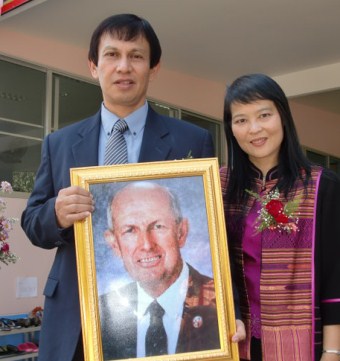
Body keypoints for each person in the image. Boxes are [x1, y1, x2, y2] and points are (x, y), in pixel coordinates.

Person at [20, 13, 217, 361]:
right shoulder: (60, 143)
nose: (123, 66)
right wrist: (55, 213)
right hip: (75, 319)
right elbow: (34, 223)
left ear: (153, 68)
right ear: (94, 66)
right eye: (112, 55)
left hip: (166, 320)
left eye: (136, 56)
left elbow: (216, 231)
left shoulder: (193, 140)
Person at [220, 73, 340, 361]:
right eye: (241, 120)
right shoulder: (218, 185)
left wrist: (333, 351)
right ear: (231, 129)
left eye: (264, 115)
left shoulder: (322, 185)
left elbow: (336, 275)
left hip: (303, 343)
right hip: (235, 341)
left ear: (283, 116)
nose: (254, 129)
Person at [99, 181, 220, 359]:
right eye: (130, 230)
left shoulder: (219, 302)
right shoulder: (100, 314)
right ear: (114, 244)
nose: (147, 245)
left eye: (158, 226)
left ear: (181, 232)